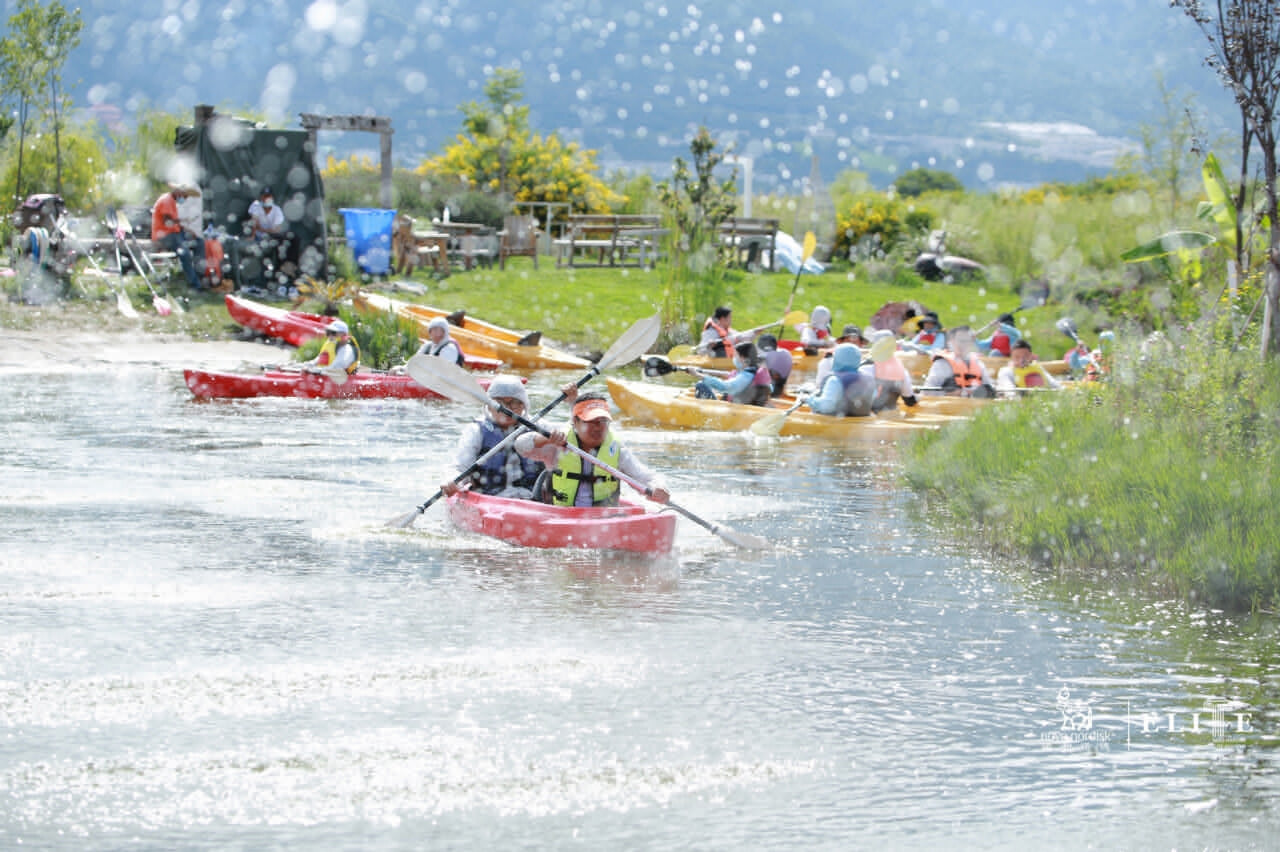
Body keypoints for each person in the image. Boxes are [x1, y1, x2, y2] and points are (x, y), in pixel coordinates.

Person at [516, 390, 670, 507]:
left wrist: (658, 487)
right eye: (591, 421)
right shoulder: (558, 439)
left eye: (603, 421)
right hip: (560, 514)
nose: (598, 428)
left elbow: (645, 477)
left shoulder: (616, 448)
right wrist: (544, 439)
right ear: (575, 422)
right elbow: (521, 446)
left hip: (602, 517)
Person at [440, 375, 544, 500]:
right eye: (500, 404)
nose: (507, 409)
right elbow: (460, 467)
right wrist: (453, 480)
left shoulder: (540, 428)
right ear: (489, 405)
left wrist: (571, 401)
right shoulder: (476, 431)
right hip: (488, 501)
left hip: (532, 501)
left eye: (514, 403)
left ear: (524, 405)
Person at [150, 185, 206, 290]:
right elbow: (168, 222)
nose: (185, 199)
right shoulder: (166, 201)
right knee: (184, 253)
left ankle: (200, 277)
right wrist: (184, 220)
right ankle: (194, 285)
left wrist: (189, 231)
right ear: (179, 193)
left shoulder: (172, 202)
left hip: (174, 234)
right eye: (185, 196)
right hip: (165, 236)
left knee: (199, 242)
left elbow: (175, 224)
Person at [921, 325, 994, 396]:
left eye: (968, 341)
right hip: (950, 405)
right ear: (952, 342)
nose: (965, 345)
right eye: (961, 341)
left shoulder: (978, 363)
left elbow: (990, 388)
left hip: (974, 405)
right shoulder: (942, 363)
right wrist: (951, 394)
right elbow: (926, 392)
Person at [693, 341, 773, 405]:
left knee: (701, 385)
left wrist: (697, 375)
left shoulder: (746, 377)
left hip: (737, 413)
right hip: (748, 408)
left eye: (735, 355)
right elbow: (730, 375)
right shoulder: (754, 372)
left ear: (743, 358)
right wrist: (703, 371)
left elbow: (724, 387)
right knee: (721, 393)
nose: (734, 358)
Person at [807, 343, 875, 417]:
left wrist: (810, 400)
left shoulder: (835, 380)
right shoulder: (869, 379)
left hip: (838, 422)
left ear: (837, 359)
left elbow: (826, 407)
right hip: (863, 422)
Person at [864, 331, 918, 412]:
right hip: (891, 414)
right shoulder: (902, 371)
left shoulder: (864, 368)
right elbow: (910, 401)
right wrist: (918, 396)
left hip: (869, 415)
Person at [996, 340, 1063, 391]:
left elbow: (1054, 384)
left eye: (1025, 356)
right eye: (1017, 357)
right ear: (1011, 357)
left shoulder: (1038, 367)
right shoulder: (1006, 372)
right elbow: (1010, 391)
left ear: (1031, 356)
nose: (1021, 360)